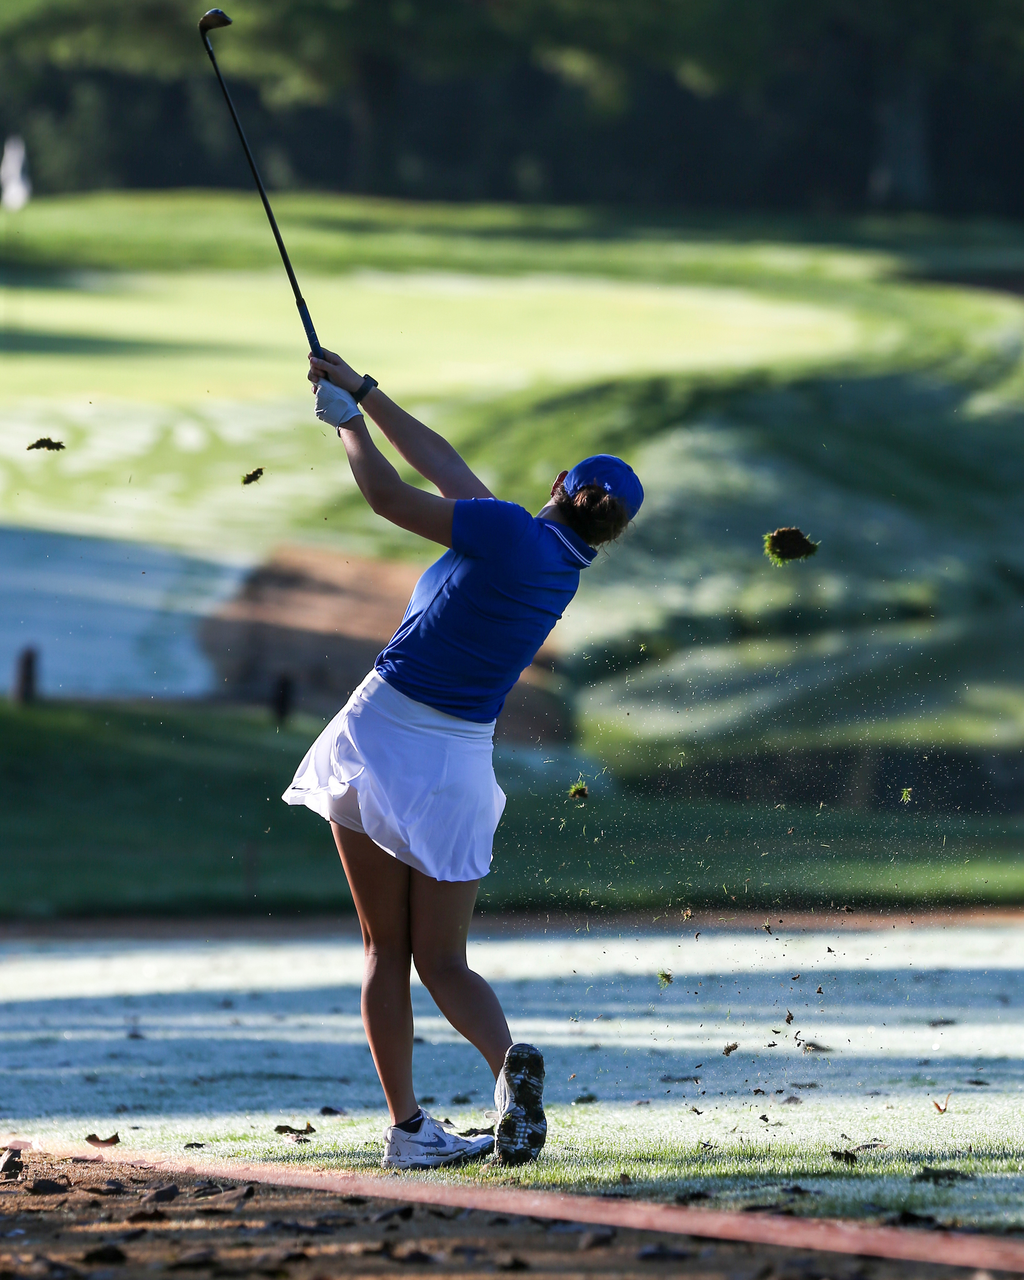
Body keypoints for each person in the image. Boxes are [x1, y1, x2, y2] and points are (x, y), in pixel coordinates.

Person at [283, 348, 644, 1170]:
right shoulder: (555, 563)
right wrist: (365, 391)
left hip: (380, 739)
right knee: (444, 960)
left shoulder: (509, 530)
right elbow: (448, 468)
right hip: (460, 767)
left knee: (383, 952)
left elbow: (385, 494)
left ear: (557, 483)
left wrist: (348, 427)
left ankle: (408, 1129)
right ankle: (504, 1072)